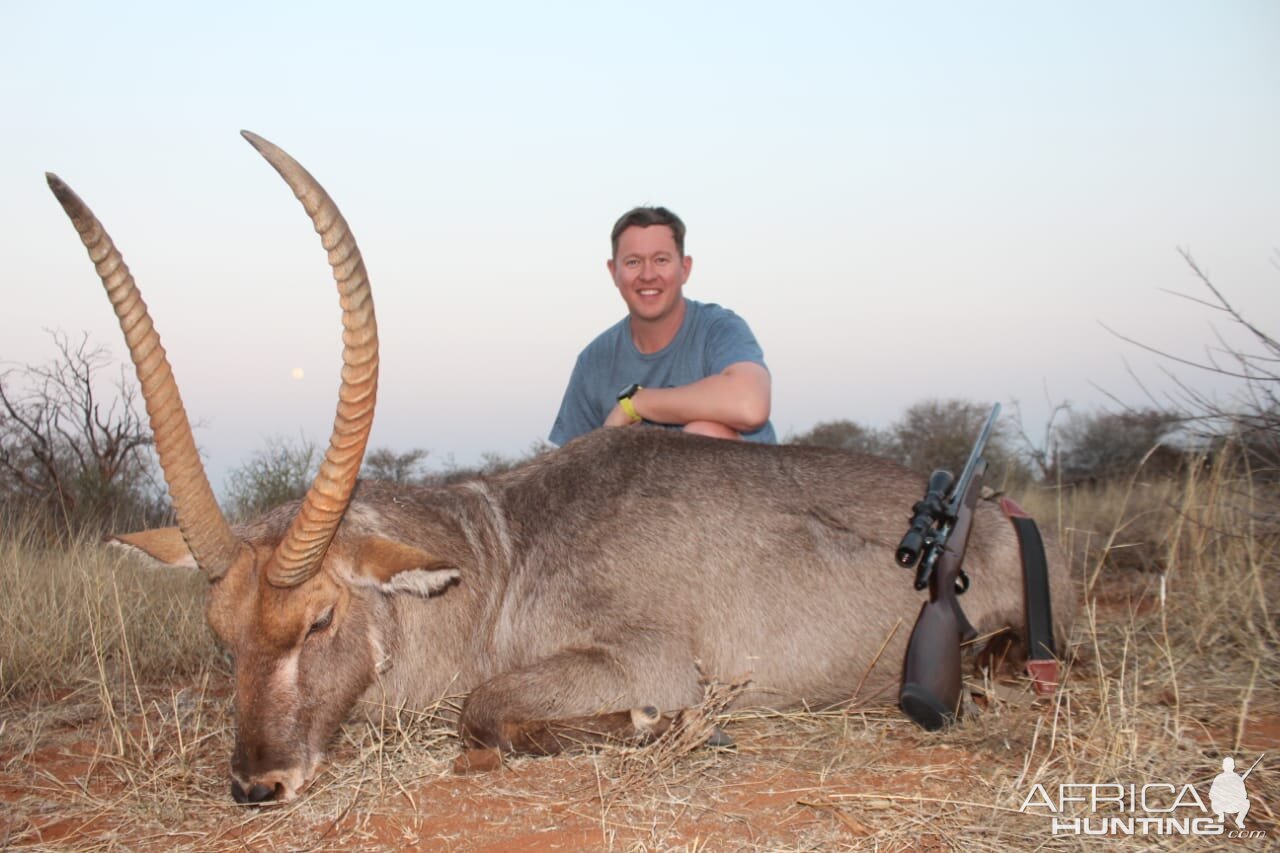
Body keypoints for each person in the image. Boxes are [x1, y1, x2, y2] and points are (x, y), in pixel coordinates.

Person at [550, 206, 776, 446]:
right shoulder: (592, 361)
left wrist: (635, 405)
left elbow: (750, 406)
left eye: (661, 260)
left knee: (704, 433)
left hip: (741, 481)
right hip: (640, 484)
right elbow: (572, 466)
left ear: (685, 268)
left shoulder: (720, 329)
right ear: (613, 271)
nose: (648, 275)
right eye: (633, 262)